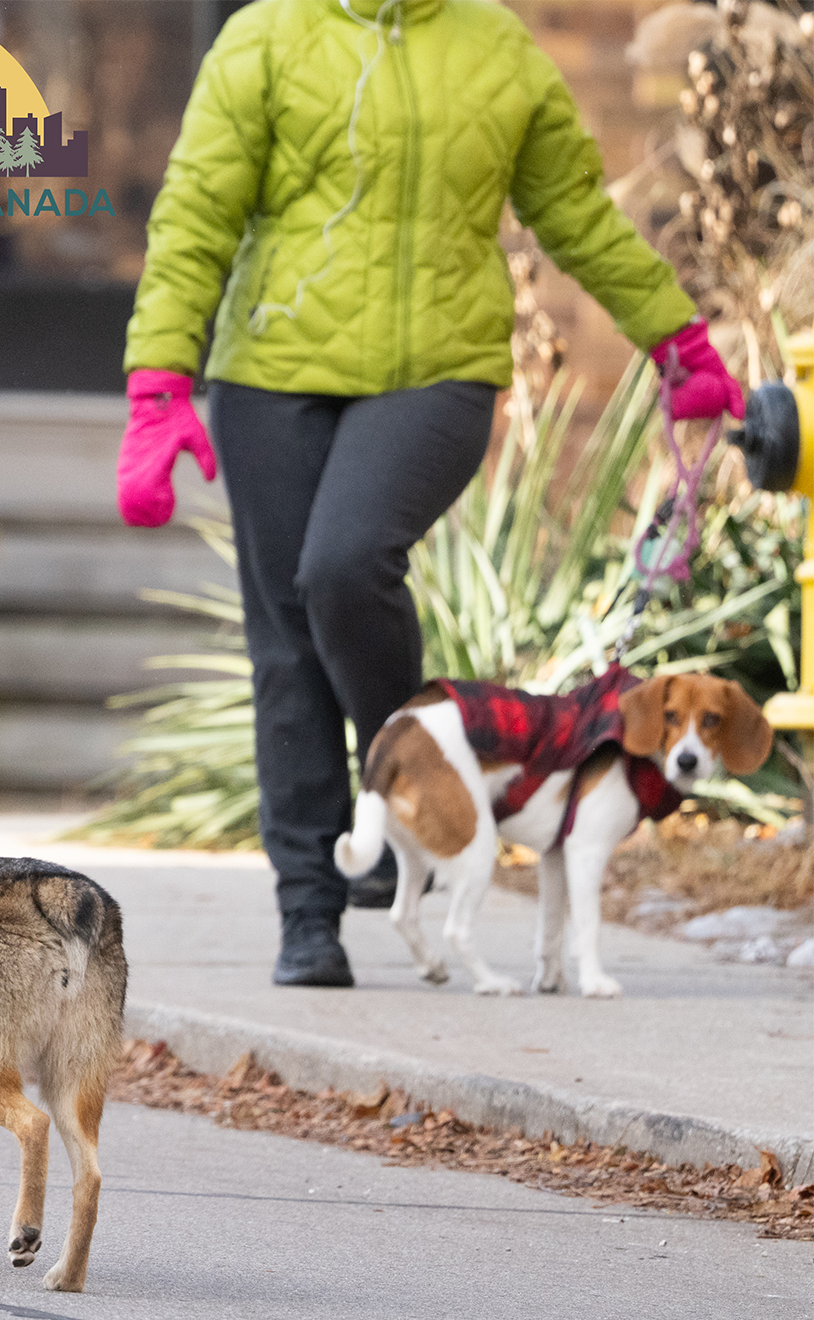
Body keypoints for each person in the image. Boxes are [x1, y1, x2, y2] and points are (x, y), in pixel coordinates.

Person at [115, 0, 741, 987]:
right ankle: (308, 911)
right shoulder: (266, 39)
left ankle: (400, 768)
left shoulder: (494, 48)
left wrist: (674, 336)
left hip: (434, 375)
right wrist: (158, 380)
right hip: (269, 369)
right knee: (285, 633)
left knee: (344, 562)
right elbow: (194, 216)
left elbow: (574, 212)